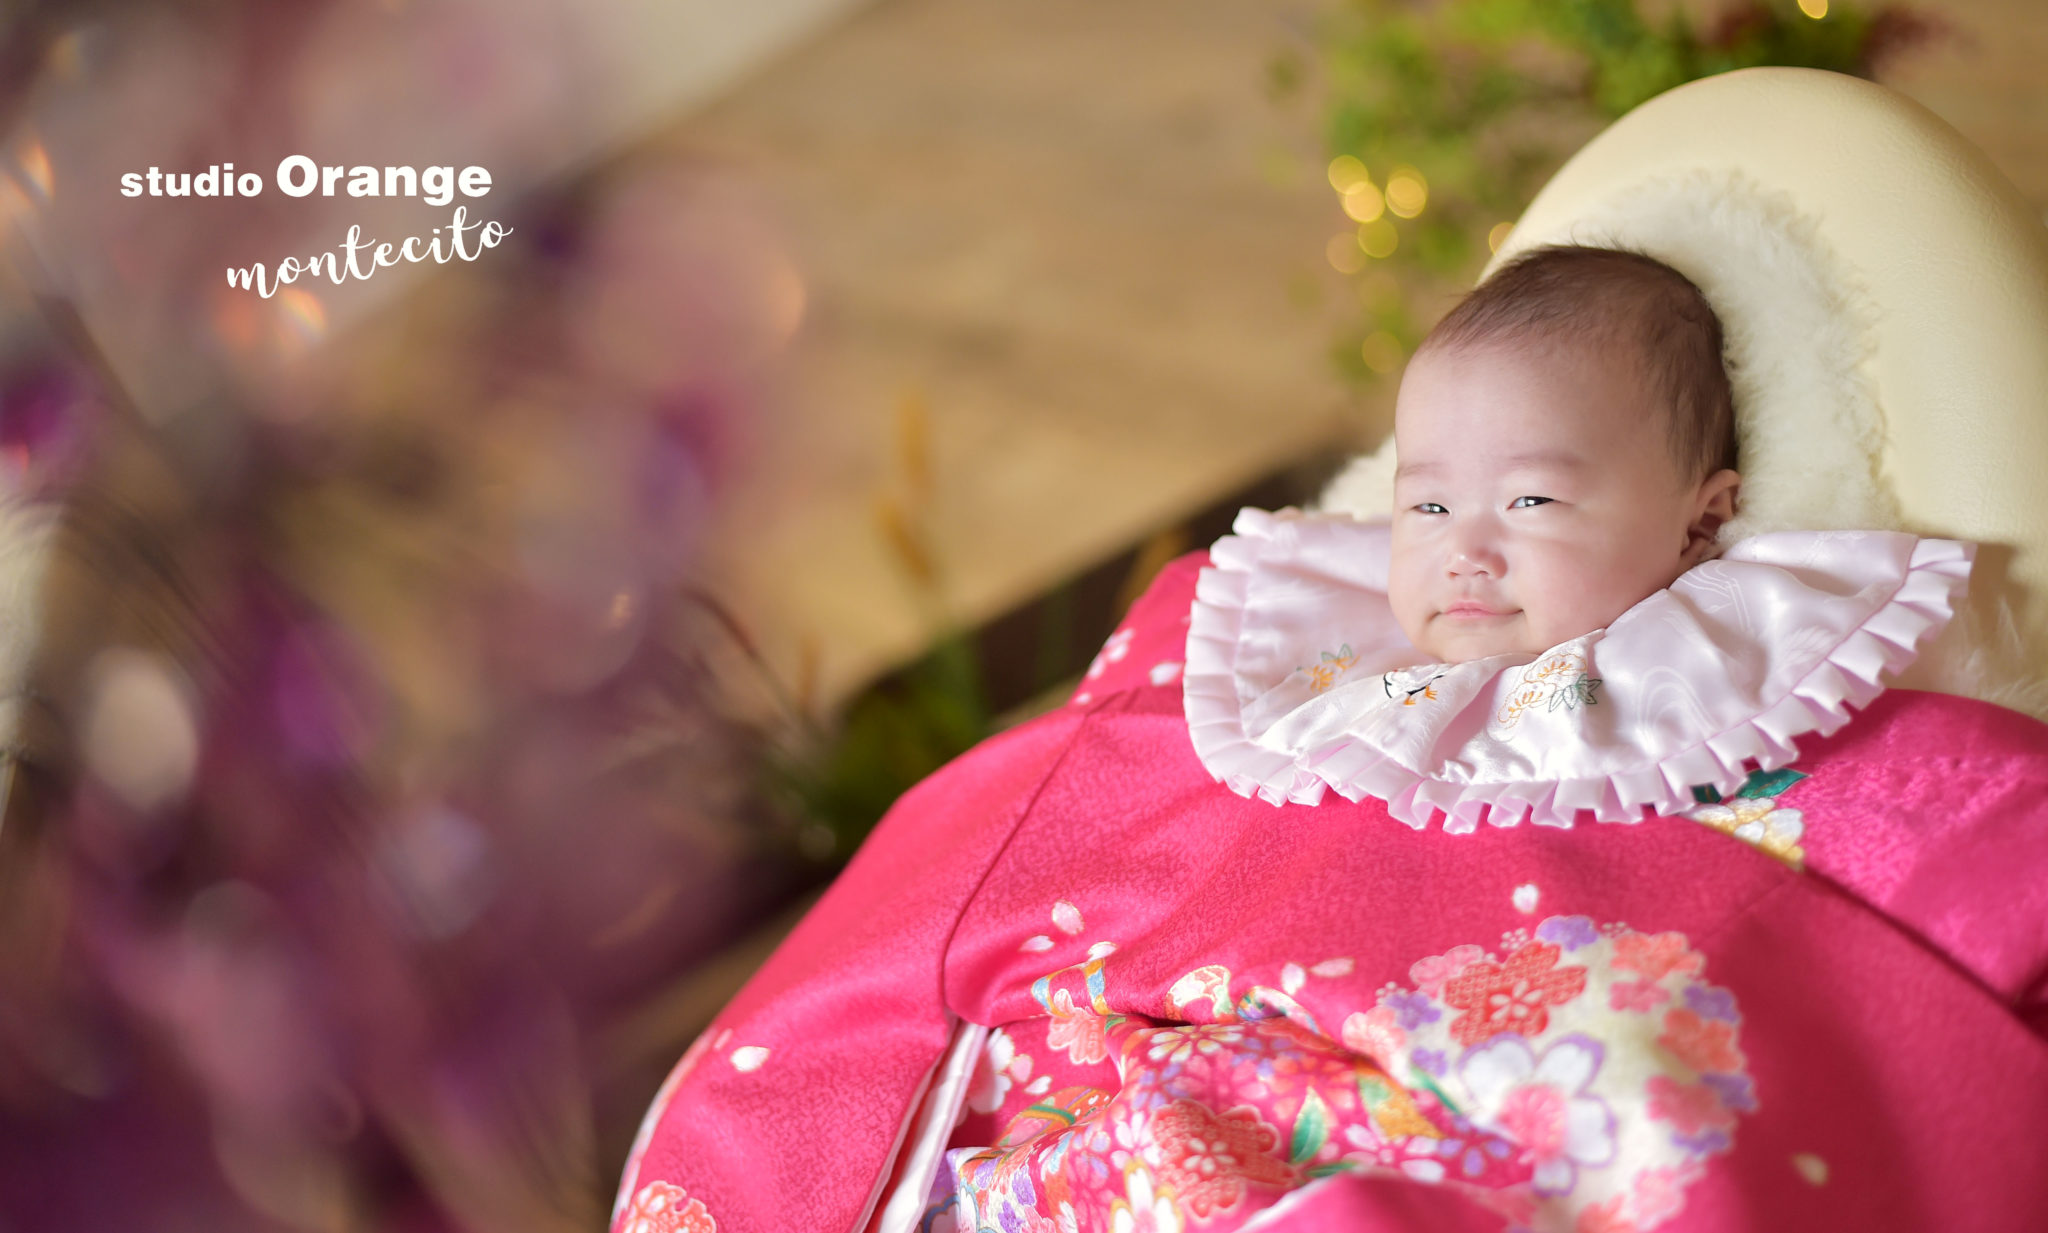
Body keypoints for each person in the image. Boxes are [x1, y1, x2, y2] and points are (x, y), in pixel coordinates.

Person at [611, 247, 2048, 1233]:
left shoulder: (1736, 682)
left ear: (1701, 511)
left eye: (1535, 504)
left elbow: (1918, 819)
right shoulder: (1300, 669)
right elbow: (1093, 789)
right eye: (1428, 503)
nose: (1466, 550)